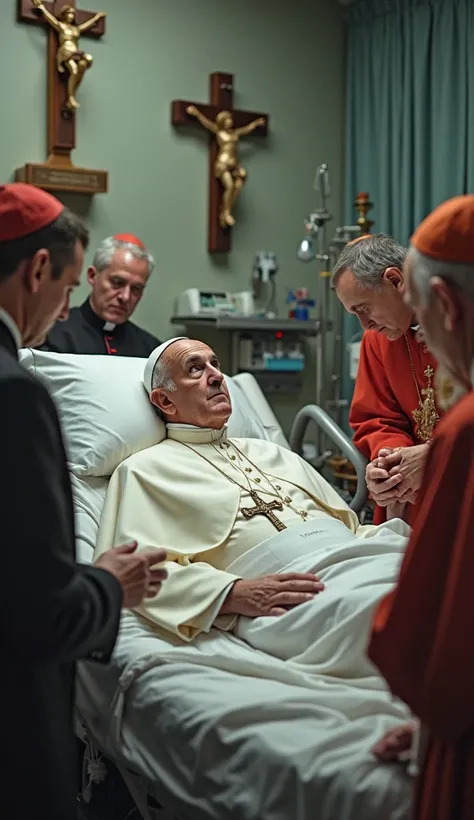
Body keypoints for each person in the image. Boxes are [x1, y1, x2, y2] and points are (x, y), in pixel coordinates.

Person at [94, 335, 412, 694]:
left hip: (362, 561)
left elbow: (352, 528)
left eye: (215, 364)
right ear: (165, 400)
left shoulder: (272, 453)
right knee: (393, 615)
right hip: (294, 594)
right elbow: (140, 574)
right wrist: (232, 593)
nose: (215, 376)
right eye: (195, 369)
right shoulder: (144, 470)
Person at [0, 183, 167, 820]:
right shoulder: (21, 388)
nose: (67, 303)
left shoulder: (151, 349)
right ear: (42, 270)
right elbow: (36, 606)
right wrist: (106, 586)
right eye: (72, 286)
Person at [368, 195, 474, 820]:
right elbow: (376, 416)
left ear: (451, 308)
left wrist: (429, 719)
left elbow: (428, 643)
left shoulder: (465, 433)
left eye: (424, 320)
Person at [332, 233, 442, 526]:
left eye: (363, 309)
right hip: (412, 494)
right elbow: (377, 418)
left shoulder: (460, 323)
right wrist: (391, 462)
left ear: (395, 280)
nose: (365, 325)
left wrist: (434, 457)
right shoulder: (376, 340)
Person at [42, 233, 160, 356]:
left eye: (136, 288)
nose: (125, 297)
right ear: (92, 276)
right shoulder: (51, 333)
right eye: (117, 282)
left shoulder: (151, 351)